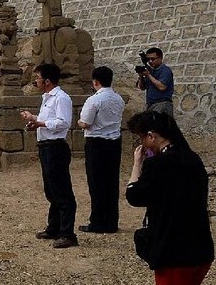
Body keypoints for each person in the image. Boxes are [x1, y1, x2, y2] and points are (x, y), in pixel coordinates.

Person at [126, 111, 214, 285]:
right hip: (200, 248)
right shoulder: (193, 158)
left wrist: (137, 164)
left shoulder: (160, 165)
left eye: (141, 138)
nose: (141, 144)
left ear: (152, 136)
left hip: (174, 252)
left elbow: (134, 195)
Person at [21, 63, 78, 249]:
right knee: (51, 190)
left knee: (62, 191)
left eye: (37, 77)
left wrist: (40, 123)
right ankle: (54, 227)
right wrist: (34, 121)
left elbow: (63, 123)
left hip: (55, 147)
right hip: (46, 147)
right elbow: (48, 120)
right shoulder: (47, 98)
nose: (35, 81)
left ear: (46, 80)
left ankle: (68, 233)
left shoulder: (61, 98)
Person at [77, 66, 125, 234]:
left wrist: (79, 123)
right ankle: (111, 221)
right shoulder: (119, 99)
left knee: (96, 183)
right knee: (111, 182)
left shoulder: (94, 100)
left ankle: (97, 221)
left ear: (95, 81)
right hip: (114, 143)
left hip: (96, 143)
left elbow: (85, 122)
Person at [136, 47, 174, 116]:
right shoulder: (150, 71)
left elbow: (162, 87)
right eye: (148, 59)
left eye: (153, 59)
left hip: (162, 104)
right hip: (151, 104)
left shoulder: (165, 70)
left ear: (160, 58)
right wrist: (141, 76)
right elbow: (142, 87)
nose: (150, 61)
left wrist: (149, 75)